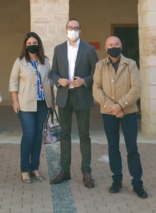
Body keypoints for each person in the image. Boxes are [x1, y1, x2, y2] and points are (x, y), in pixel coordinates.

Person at [92, 36, 148, 198]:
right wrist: (113, 107)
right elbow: (96, 89)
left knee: (132, 148)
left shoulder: (131, 64)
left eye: (116, 44)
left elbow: (136, 88)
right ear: (105, 47)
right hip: (109, 113)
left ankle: (137, 183)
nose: (113, 47)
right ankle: (117, 180)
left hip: (128, 112)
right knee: (113, 147)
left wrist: (120, 105)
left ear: (121, 45)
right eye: (110, 45)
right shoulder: (100, 65)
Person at [49, 19, 99, 188]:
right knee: (64, 135)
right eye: (70, 28)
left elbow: (97, 73)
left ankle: (86, 172)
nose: (73, 30)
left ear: (80, 30)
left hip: (82, 97)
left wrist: (84, 81)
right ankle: (65, 170)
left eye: (76, 28)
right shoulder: (59, 49)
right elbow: (52, 72)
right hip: (64, 97)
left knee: (84, 135)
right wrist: (59, 80)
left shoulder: (89, 49)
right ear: (65, 30)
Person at [9, 32, 54, 184]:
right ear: (25, 45)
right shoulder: (20, 61)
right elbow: (13, 82)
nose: (31, 45)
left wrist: (52, 101)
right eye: (29, 43)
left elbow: (50, 81)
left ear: (38, 44)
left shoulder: (45, 61)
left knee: (37, 136)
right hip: (25, 104)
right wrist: (15, 101)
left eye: (34, 42)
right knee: (29, 134)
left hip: (43, 104)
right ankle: (24, 169)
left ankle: (34, 168)